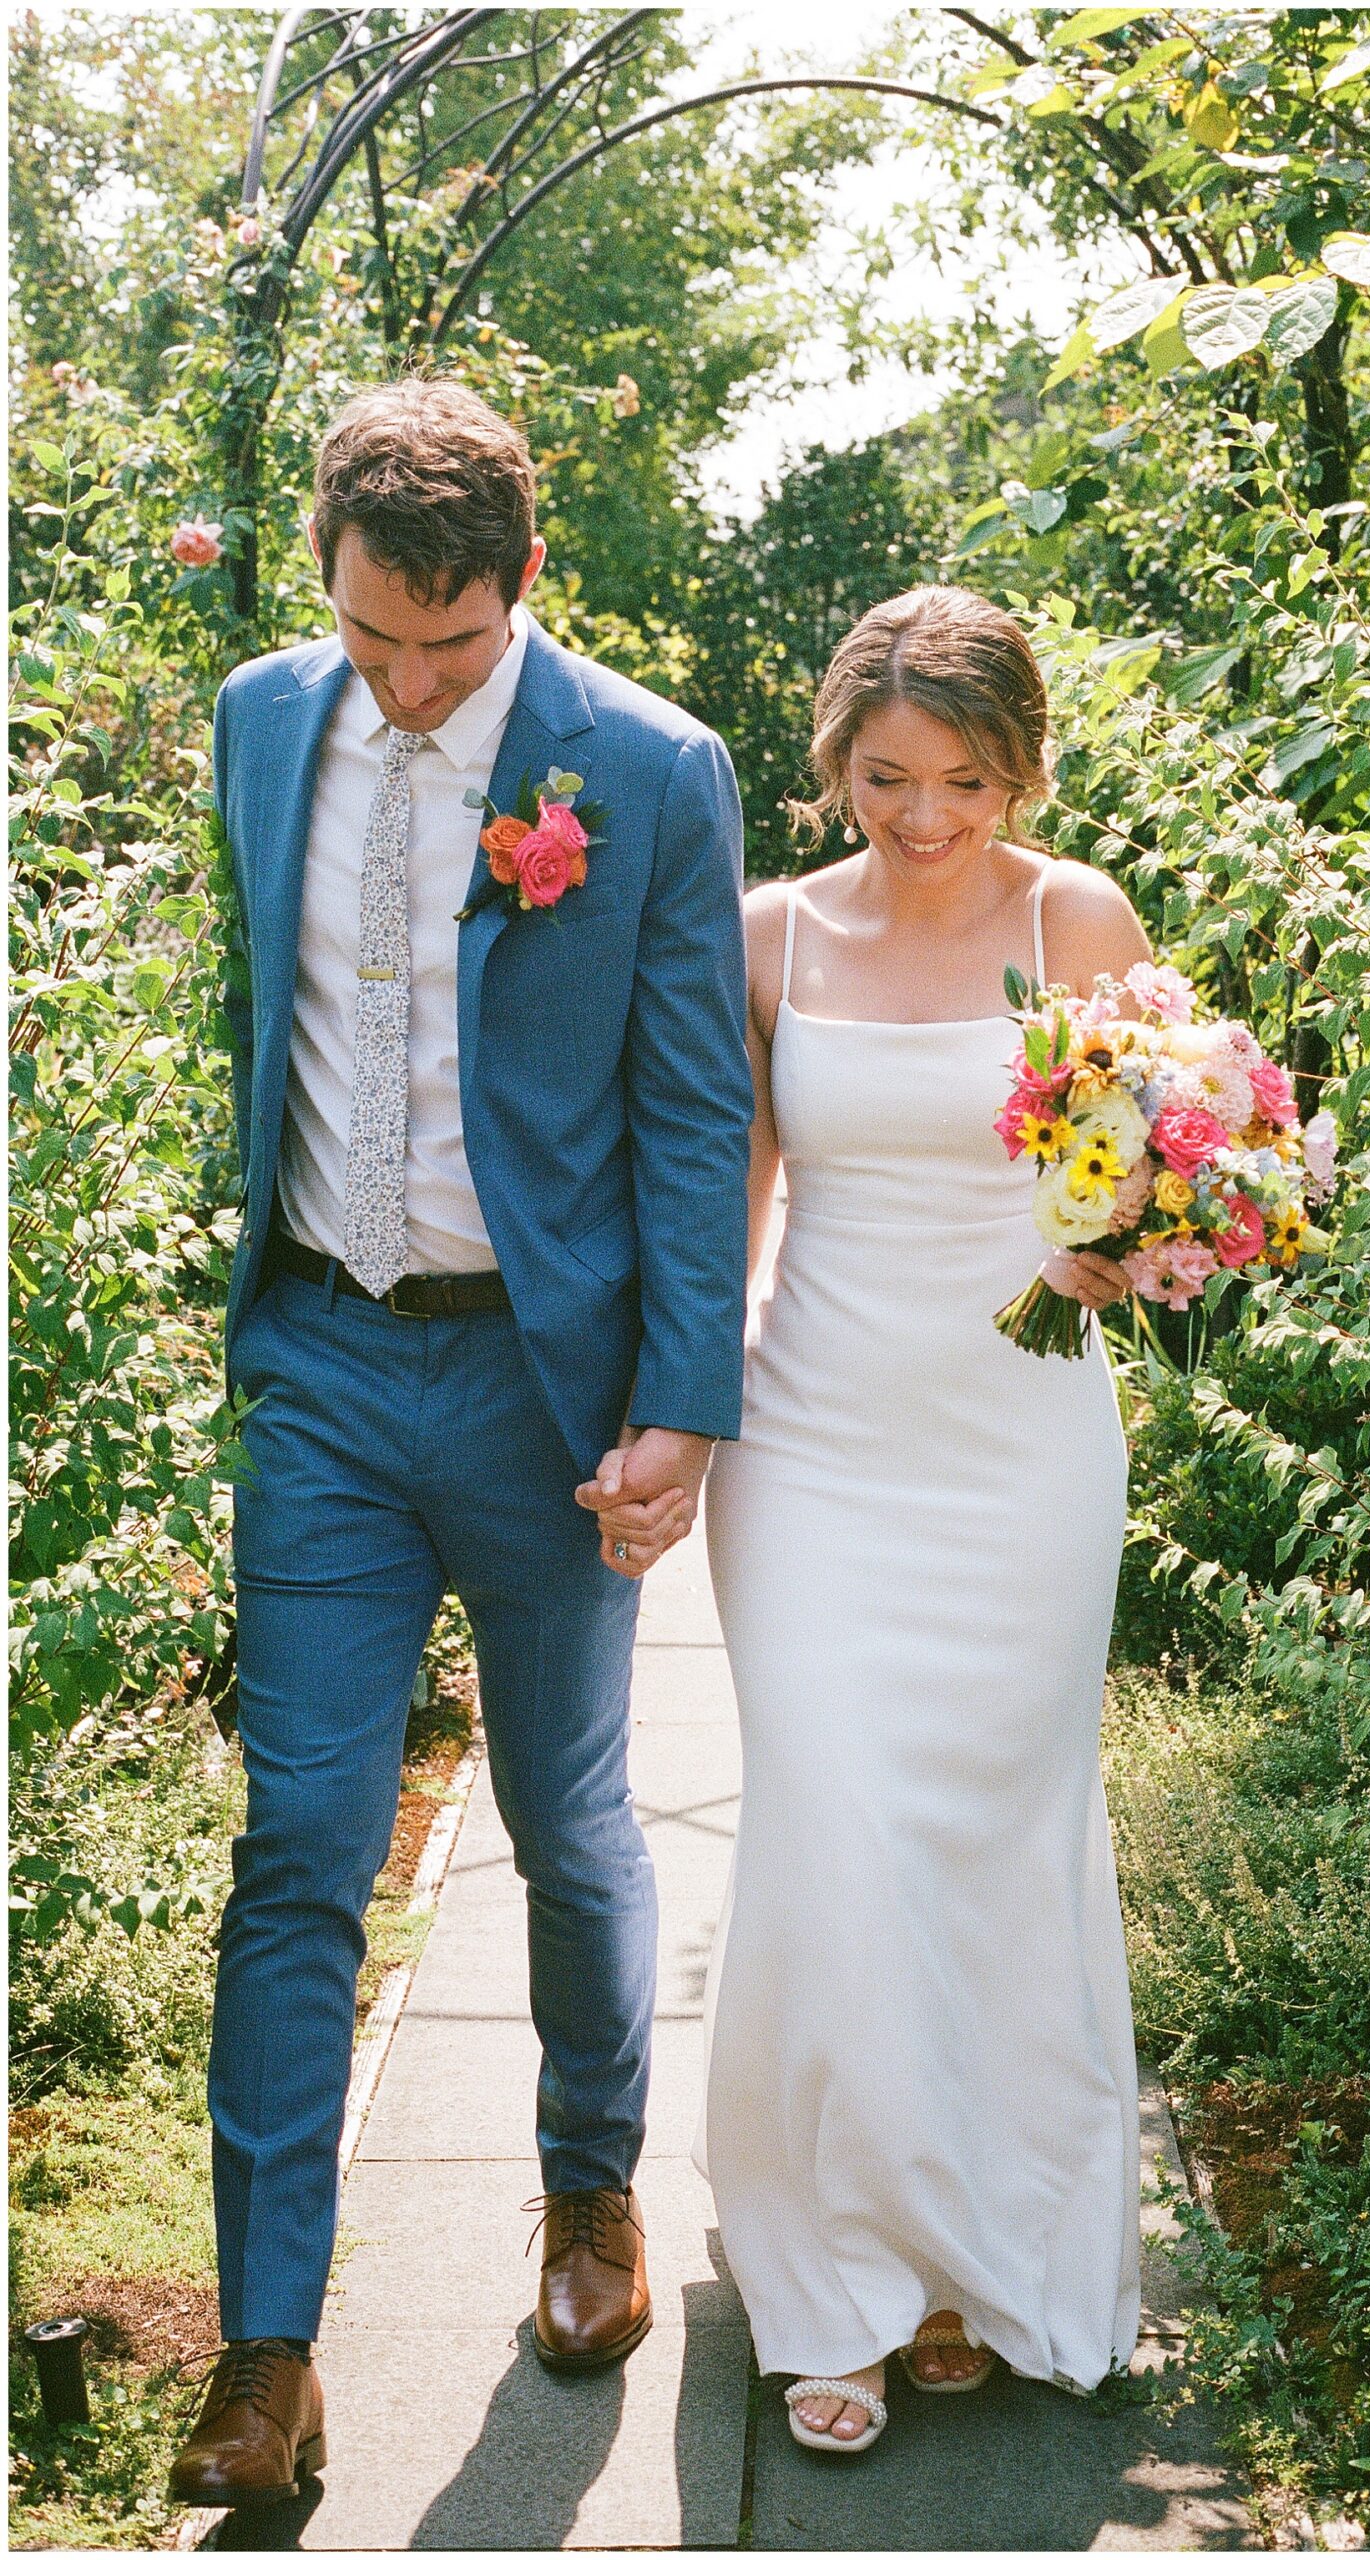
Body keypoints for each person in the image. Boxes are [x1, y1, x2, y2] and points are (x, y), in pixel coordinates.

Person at [169, 377, 751, 2511]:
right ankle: (267, 2344)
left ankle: (588, 2200)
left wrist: (681, 1397)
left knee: (571, 1811)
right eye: (373, 643)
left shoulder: (656, 771)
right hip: (321, 1361)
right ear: (324, 578)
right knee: (297, 1845)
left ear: (524, 581)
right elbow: (261, 1010)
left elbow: (694, 1105)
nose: (409, 689)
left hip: (540, 1377)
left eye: (456, 649)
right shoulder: (258, 718)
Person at [700, 587, 1148, 2454]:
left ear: (1019, 766)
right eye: (886, 775)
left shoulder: (1081, 920)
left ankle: (970, 2260)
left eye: (963, 777)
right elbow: (727, 1208)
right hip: (810, 1449)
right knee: (837, 1834)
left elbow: (1165, 1166)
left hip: (1023, 1445)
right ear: (836, 766)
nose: (925, 812)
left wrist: (1129, 1244)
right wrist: (676, 1425)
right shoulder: (770, 939)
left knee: (989, 1838)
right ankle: (837, 2278)